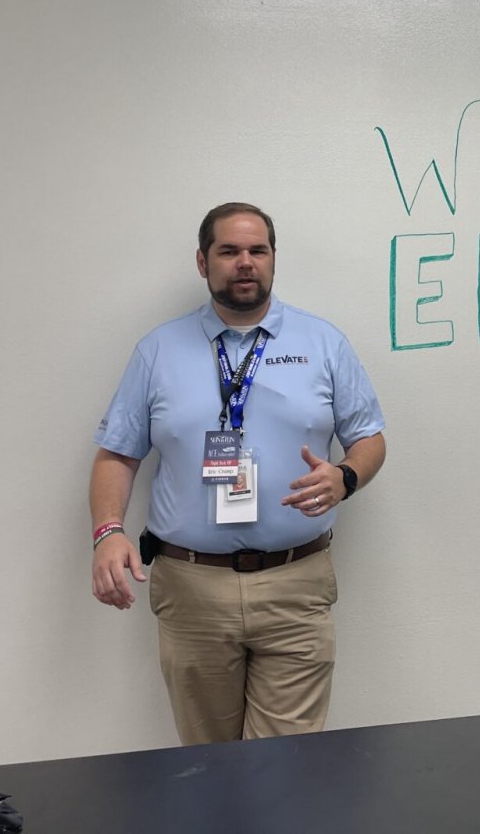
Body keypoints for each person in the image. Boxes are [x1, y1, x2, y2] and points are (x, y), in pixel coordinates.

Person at [88, 202, 386, 743]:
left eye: (258, 251)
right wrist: (107, 532)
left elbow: (369, 438)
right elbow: (117, 454)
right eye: (229, 251)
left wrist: (345, 476)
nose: (245, 262)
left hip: (296, 584)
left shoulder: (323, 343)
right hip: (192, 587)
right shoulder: (157, 351)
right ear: (203, 263)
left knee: (285, 764)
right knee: (208, 763)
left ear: (273, 260)